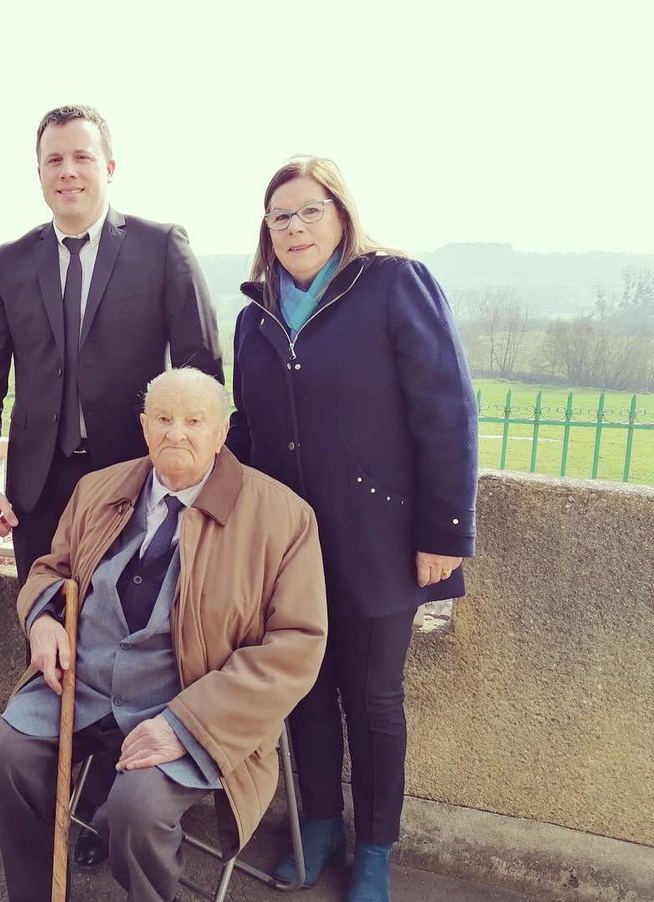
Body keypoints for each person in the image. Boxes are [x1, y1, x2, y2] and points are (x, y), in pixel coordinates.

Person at [0, 104, 224, 854]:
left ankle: (107, 802)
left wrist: (185, 473)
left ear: (109, 167)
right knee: (45, 629)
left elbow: (201, 369)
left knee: (135, 638)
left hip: (136, 492)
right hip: (42, 490)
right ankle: (34, 795)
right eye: (54, 160)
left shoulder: (159, 247)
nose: (68, 171)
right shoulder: (10, 260)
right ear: (39, 173)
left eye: (82, 157)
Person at [228, 157, 478, 902]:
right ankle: (319, 826)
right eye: (281, 217)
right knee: (303, 692)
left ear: (341, 214)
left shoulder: (396, 283)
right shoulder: (254, 315)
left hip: (383, 541)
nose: (295, 227)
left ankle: (374, 849)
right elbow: (247, 429)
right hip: (291, 548)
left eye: (309, 211)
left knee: (372, 699)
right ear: (266, 234)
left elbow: (448, 410)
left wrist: (446, 531)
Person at [0, 368, 327, 902]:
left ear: (223, 430)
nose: (176, 433)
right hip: (84, 686)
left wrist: (186, 723)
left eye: (194, 421)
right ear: (143, 426)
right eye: (163, 419)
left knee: (135, 809)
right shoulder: (98, 490)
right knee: (5, 755)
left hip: (189, 706)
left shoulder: (282, 518)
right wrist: (43, 620)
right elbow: (51, 570)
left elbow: (297, 646)